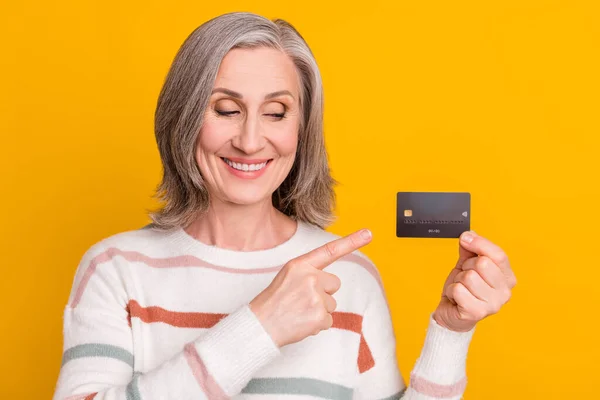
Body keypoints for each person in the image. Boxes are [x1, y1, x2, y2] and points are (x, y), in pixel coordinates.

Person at [52, 11, 517, 400]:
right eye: (226, 110)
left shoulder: (352, 277)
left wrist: (450, 332)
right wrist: (260, 326)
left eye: (276, 113)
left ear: (301, 128)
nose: (251, 141)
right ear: (184, 117)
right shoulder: (115, 269)